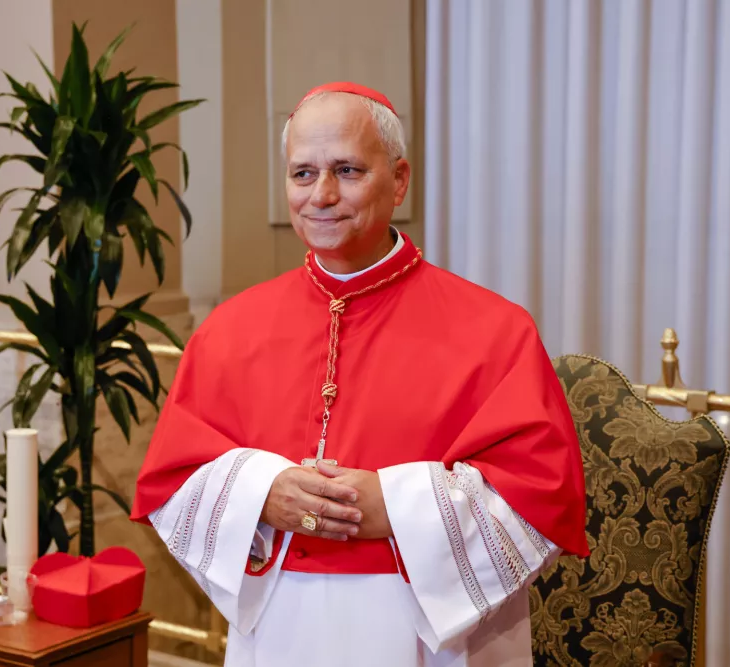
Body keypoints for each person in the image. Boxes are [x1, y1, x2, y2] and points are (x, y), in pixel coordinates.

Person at [131, 81, 588, 667]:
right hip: (280, 625)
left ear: (398, 180)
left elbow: (540, 497)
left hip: (435, 632)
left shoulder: (497, 331)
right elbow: (172, 480)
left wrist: (395, 506)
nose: (322, 195)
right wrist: (260, 492)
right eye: (302, 173)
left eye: (347, 170)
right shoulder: (229, 330)